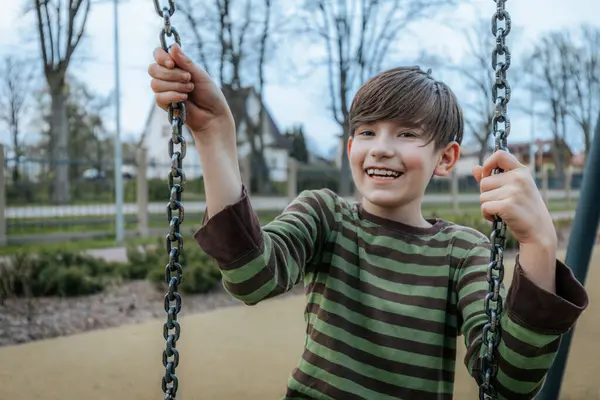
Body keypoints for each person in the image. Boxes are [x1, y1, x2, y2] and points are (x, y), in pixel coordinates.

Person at [148, 44, 588, 400]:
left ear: (446, 158)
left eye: (407, 133)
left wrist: (539, 244)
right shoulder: (326, 217)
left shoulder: (463, 253)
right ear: (350, 147)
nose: (380, 147)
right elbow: (250, 276)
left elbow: (507, 383)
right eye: (367, 131)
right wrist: (214, 135)